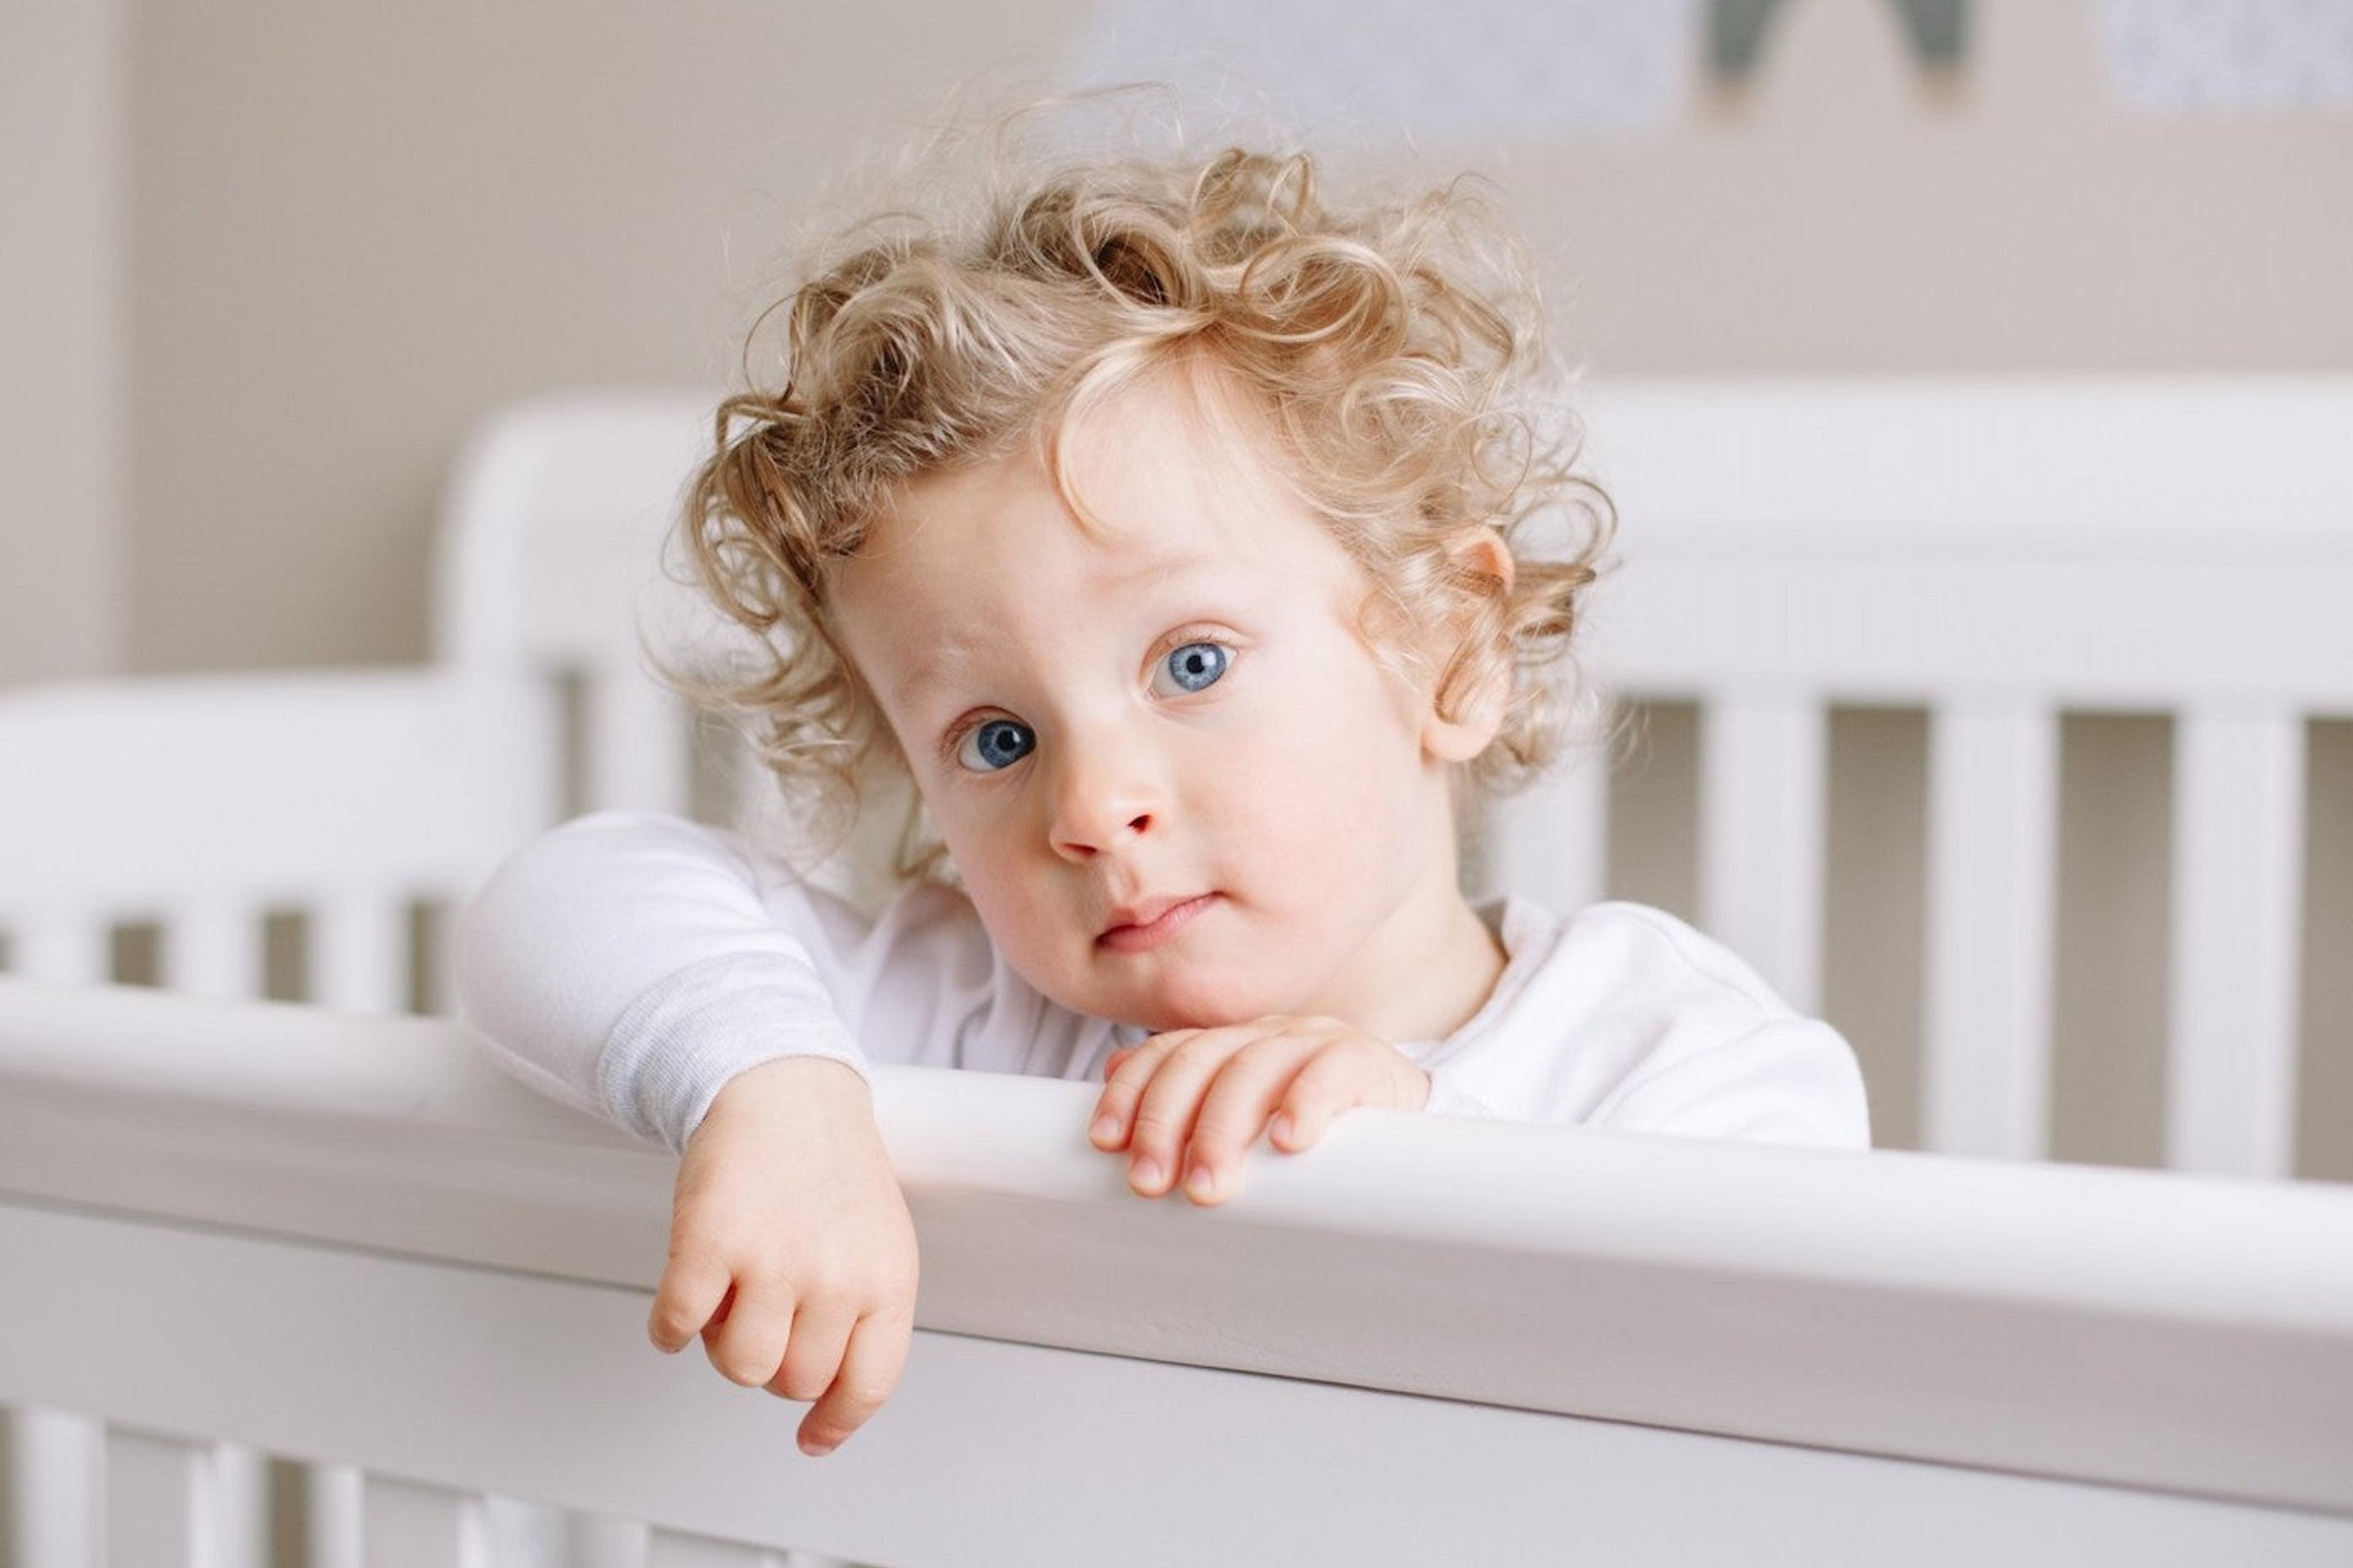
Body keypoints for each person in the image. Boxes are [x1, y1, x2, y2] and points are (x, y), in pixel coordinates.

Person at [457, 137, 1870, 1462]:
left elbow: (1801, 1368)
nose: (1093, 802)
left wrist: (1427, 1139)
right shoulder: (956, 1016)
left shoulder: (1664, 1057)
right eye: (997, 738)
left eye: (1192, 662)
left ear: (1450, 643)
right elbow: (557, 902)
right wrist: (769, 1088)